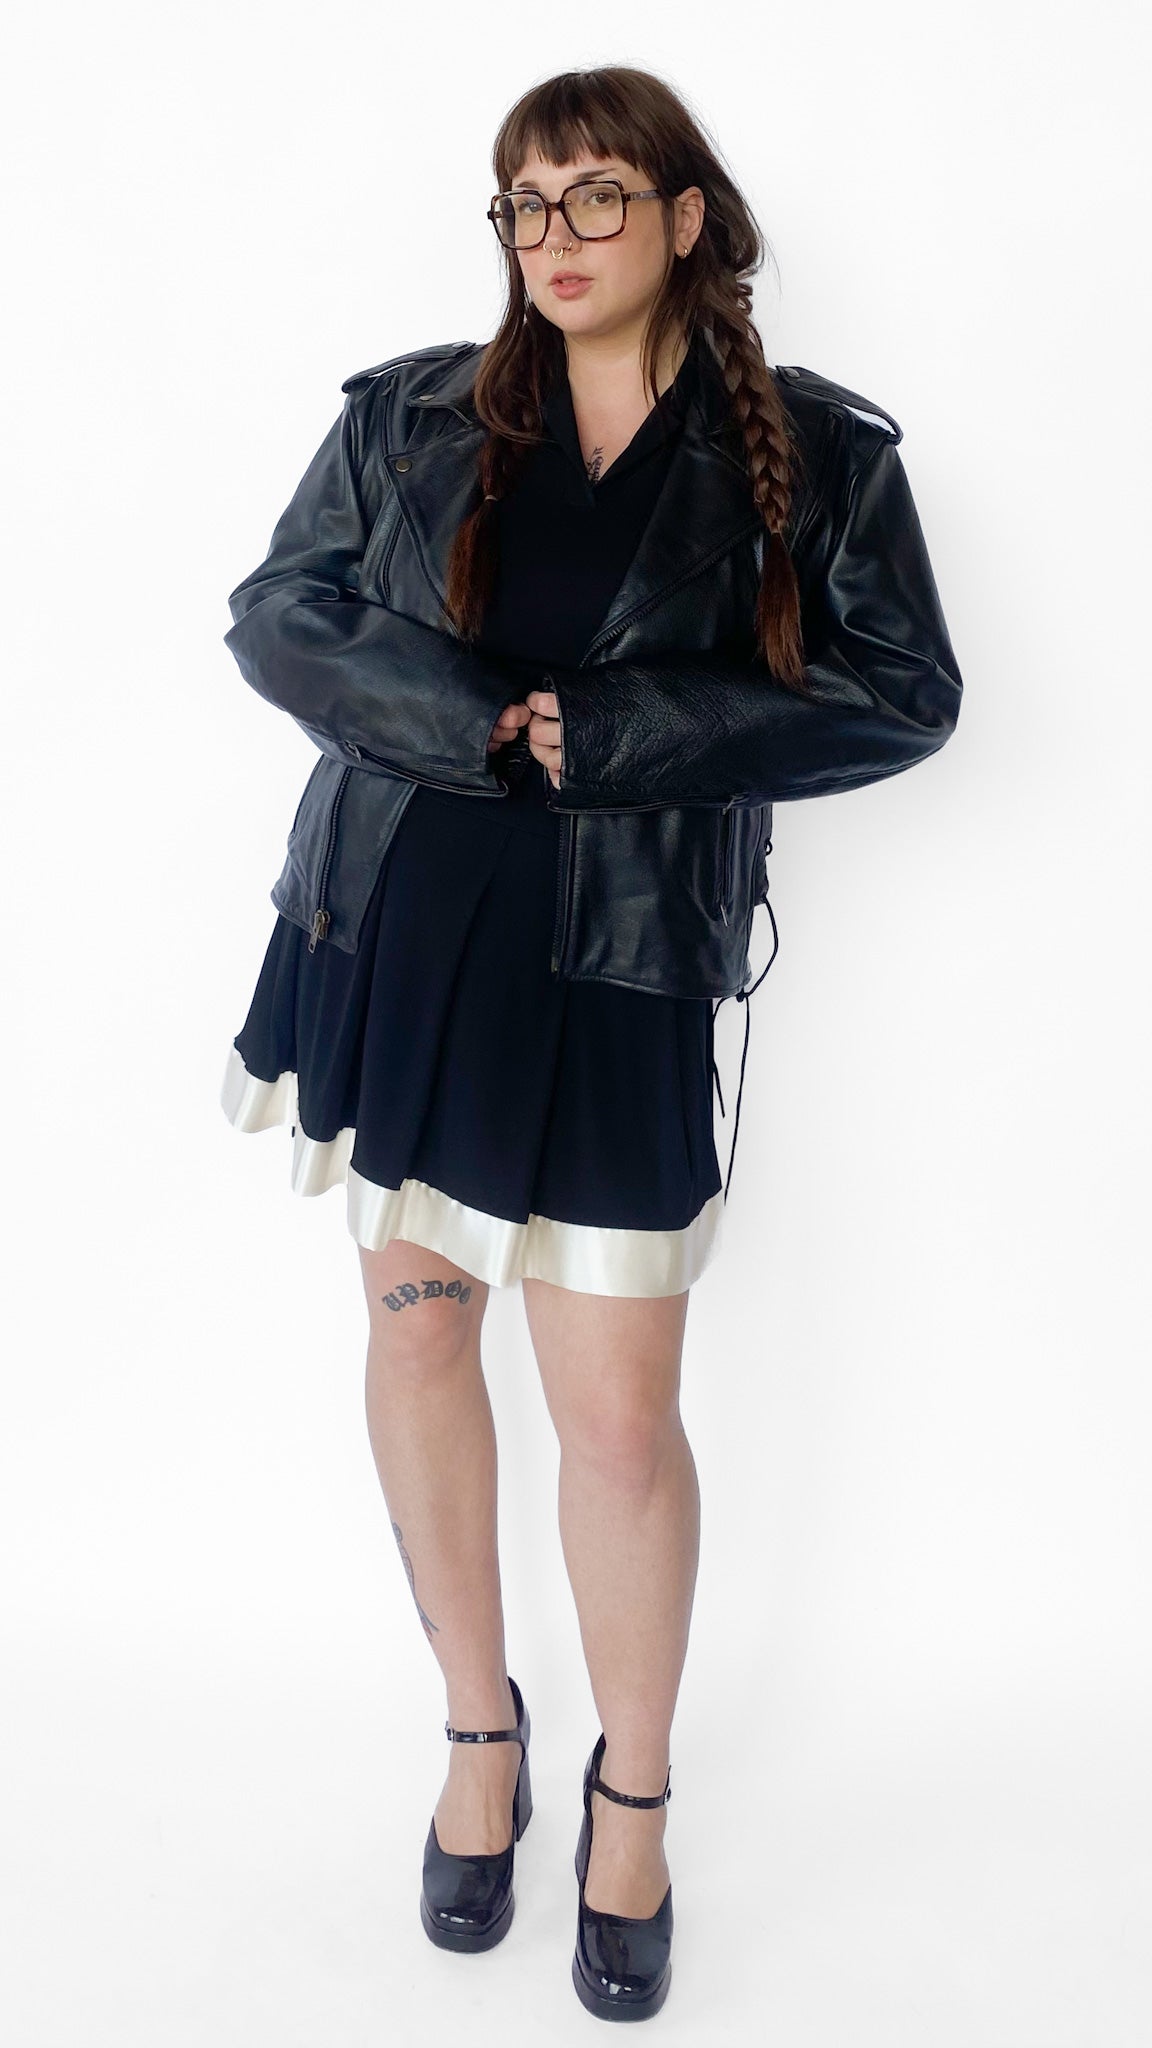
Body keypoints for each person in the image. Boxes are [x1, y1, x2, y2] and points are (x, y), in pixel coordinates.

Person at [218, 64, 962, 2023]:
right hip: (398, 932)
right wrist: (458, 718)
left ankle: (633, 1795)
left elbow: (905, 689)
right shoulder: (409, 415)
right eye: (525, 204)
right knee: (418, 1333)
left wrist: (622, 737)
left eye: (596, 196)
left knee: (620, 1420)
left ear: (687, 219)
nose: (553, 237)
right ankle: (482, 1733)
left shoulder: (815, 454)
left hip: (624, 965)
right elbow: (279, 613)